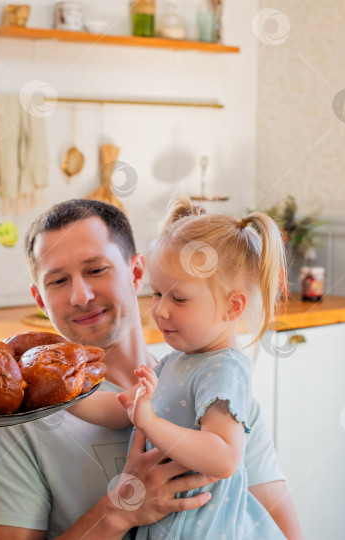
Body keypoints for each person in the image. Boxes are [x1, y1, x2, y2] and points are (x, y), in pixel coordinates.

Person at [0, 199, 303, 539]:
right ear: (40, 300)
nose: (81, 295)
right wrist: (116, 514)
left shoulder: (221, 392)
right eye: (57, 280)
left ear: (136, 272)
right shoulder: (18, 430)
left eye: (96, 270)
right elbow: (121, 409)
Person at [67, 195, 291, 538]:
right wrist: (61, 395)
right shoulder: (175, 362)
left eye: (179, 298)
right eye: (157, 294)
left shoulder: (224, 369)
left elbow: (224, 456)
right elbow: (119, 407)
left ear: (233, 307)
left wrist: (151, 423)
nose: (161, 311)